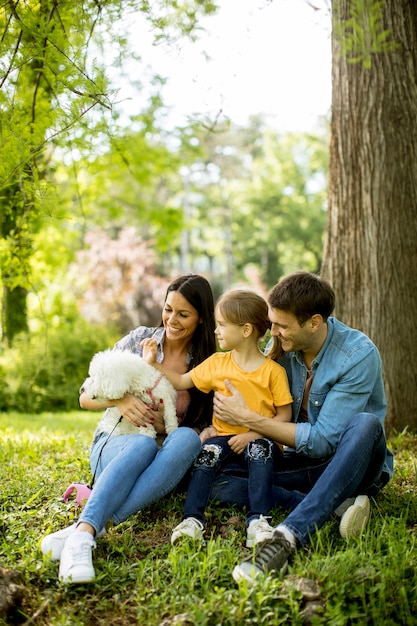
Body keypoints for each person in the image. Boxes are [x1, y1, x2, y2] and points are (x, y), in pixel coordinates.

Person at [208, 271, 393, 583]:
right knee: (215, 476)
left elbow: (322, 441)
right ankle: (333, 505)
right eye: (272, 322)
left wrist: (249, 420)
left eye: (282, 325)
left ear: (314, 322)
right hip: (296, 462)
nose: (274, 332)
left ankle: (287, 538)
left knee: (366, 424)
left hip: (348, 463)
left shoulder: (357, 355)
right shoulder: (282, 351)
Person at [41, 274, 216, 584]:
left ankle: (87, 527)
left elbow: (201, 426)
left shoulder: (206, 363)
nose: (171, 320)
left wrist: (169, 425)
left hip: (162, 462)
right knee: (142, 444)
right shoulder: (138, 340)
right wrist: (119, 400)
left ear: (201, 318)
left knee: (186, 438)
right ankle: (84, 534)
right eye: (168, 309)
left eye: (183, 314)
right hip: (117, 446)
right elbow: (85, 396)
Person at [143, 289, 293, 548]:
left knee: (259, 450)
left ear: (246, 330)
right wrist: (152, 363)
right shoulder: (217, 363)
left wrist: (253, 434)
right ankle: (192, 520)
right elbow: (181, 380)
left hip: (262, 438)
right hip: (223, 438)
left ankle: (258, 521)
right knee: (206, 454)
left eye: (222, 325)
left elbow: (285, 415)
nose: (216, 330)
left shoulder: (273, 372)